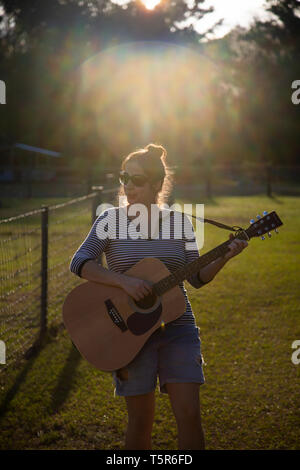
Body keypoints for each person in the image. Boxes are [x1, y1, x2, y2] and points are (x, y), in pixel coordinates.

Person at [69, 143, 248, 450]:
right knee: (141, 421)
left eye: (137, 180)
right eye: (124, 177)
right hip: (127, 333)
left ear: (157, 184)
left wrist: (225, 257)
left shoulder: (180, 223)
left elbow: (196, 278)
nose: (127, 186)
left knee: (190, 415)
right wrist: (123, 282)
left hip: (178, 326)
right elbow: (80, 263)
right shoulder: (109, 219)